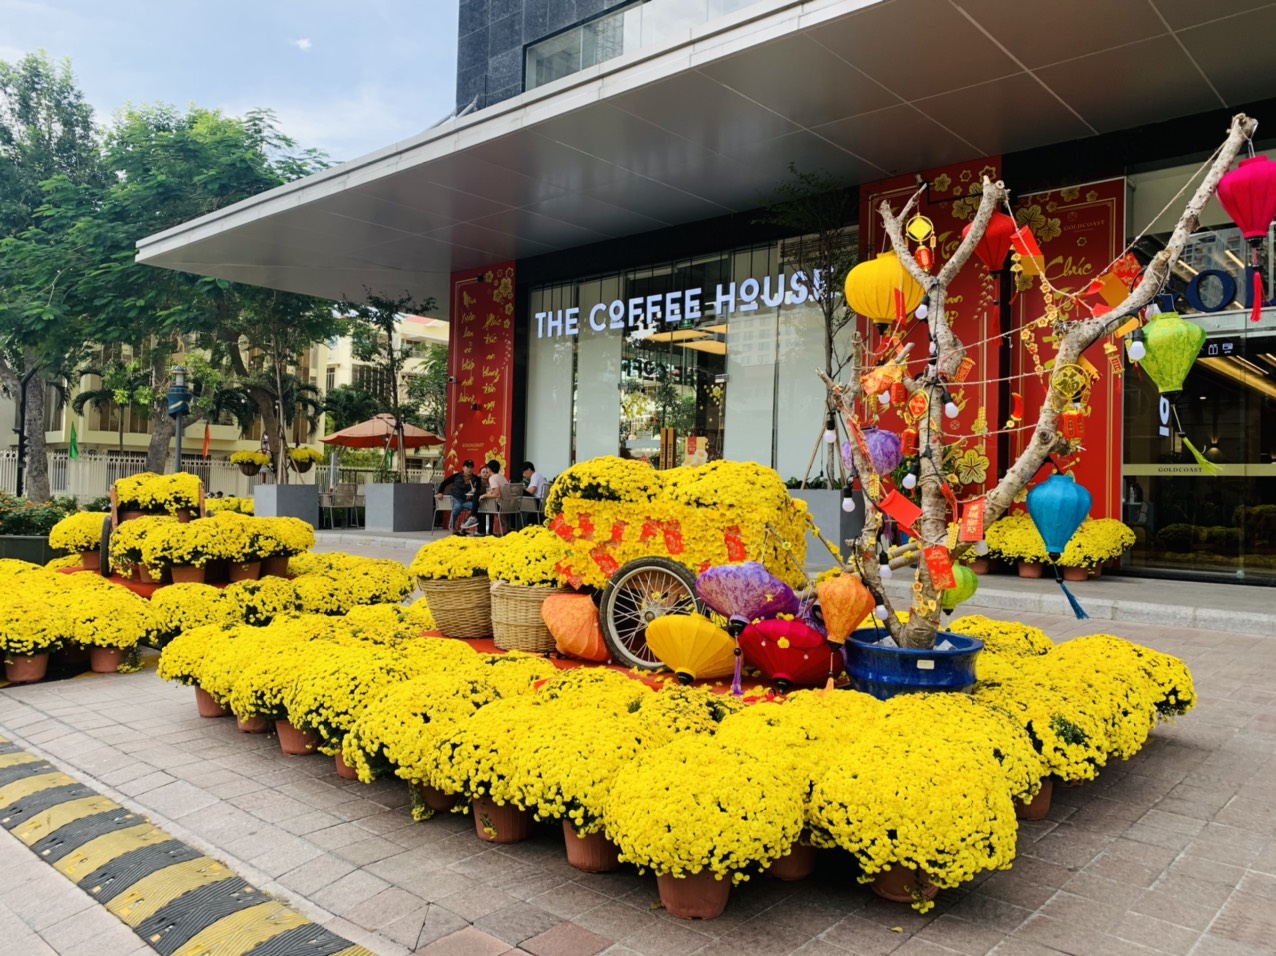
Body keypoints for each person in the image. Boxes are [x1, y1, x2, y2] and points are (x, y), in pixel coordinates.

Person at [443, 459, 481, 534]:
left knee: (476, 507)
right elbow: (444, 483)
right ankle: (451, 525)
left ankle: (464, 525)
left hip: (466, 500)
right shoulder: (456, 476)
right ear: (463, 468)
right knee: (458, 507)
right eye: (467, 467)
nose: (469, 469)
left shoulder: (476, 479)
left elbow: (477, 491)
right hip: (455, 498)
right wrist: (440, 492)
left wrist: (472, 494)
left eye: (471, 467)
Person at [478, 460, 509, 536]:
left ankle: (480, 530)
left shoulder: (492, 478)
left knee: (480, 506)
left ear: (489, 469)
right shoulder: (502, 477)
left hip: (501, 506)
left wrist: (484, 495)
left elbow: (497, 494)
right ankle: (493, 529)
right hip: (509, 505)